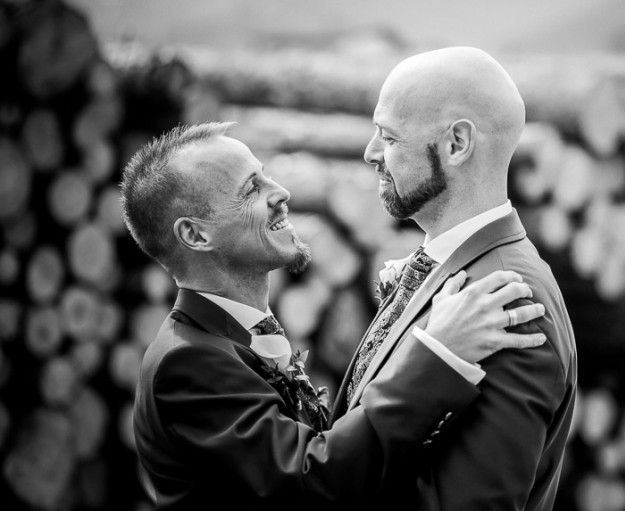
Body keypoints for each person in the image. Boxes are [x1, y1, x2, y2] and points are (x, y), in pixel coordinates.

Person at [121, 122, 548, 510]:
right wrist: (438, 356)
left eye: (266, 173)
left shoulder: (234, 335)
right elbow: (319, 481)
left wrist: (407, 306)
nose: (281, 192)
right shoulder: (187, 364)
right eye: (251, 189)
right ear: (196, 235)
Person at [330, 47, 578, 510]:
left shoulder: (505, 304)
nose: (370, 153)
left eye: (388, 136)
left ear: (457, 144)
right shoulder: (454, 270)